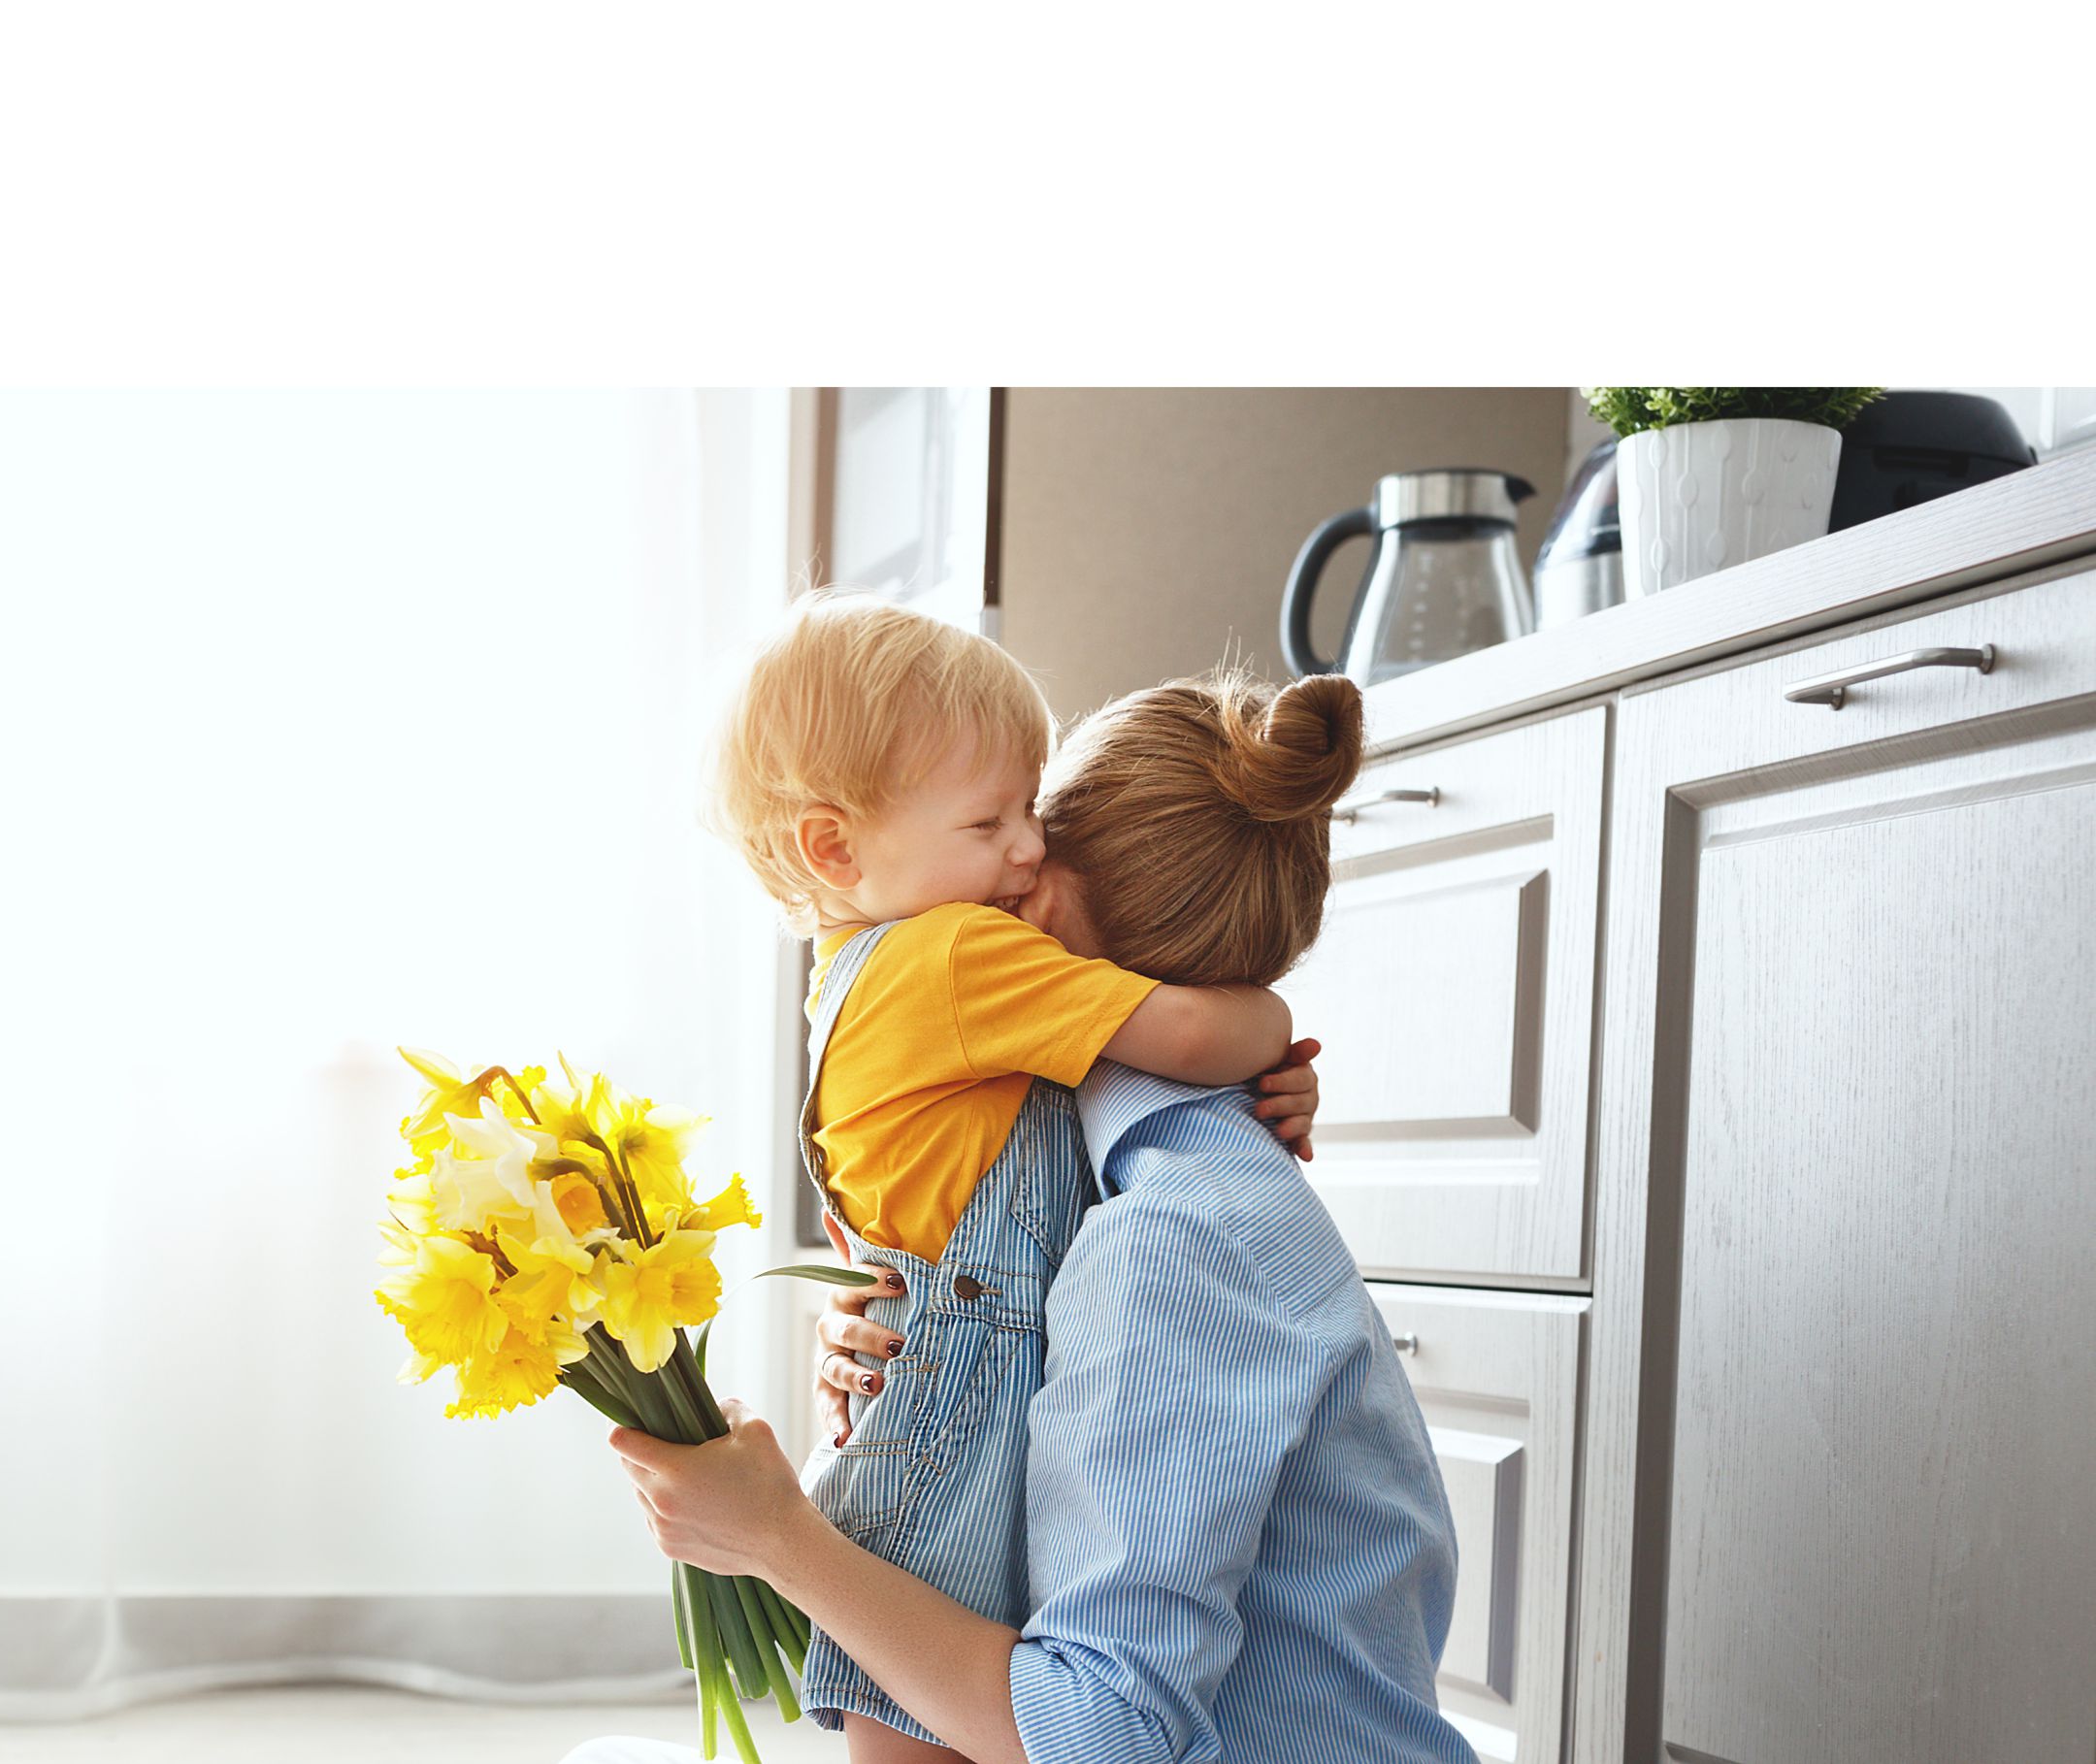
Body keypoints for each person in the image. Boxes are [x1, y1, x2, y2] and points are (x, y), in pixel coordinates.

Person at [598, 668, 1472, 1764]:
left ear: (1042, 905)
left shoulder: (1175, 1235)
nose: (1005, 853)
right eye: (990, 818)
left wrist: (777, 1534)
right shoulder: (1139, 1171)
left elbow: (1103, 1736)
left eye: (1029, 817)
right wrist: (907, 1320)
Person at [703, 594, 1322, 1759]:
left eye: (1032, 806)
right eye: (991, 819)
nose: (1031, 848)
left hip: (939, 1372)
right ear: (835, 846)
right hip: (967, 1395)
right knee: (942, 1703)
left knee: (918, 1708)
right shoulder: (954, 952)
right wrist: (1275, 1022)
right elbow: (1187, 1034)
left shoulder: (852, 974)